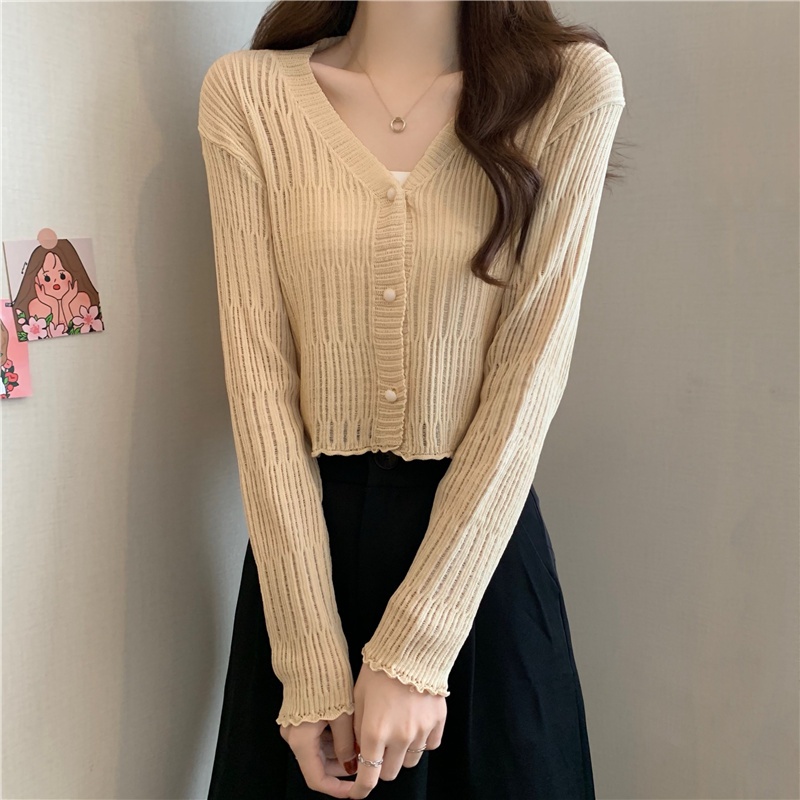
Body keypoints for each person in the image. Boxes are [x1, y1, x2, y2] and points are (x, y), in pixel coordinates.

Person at [197, 2, 626, 798]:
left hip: (477, 571)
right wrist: (309, 662)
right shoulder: (250, 94)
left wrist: (415, 652)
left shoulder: (568, 88)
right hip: (305, 575)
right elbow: (258, 382)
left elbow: (531, 372)